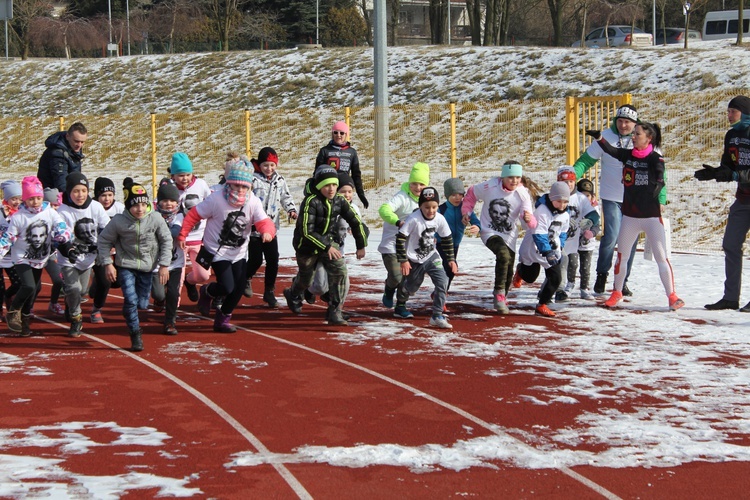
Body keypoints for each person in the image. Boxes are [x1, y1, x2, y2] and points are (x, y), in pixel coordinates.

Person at [586, 124, 684, 311]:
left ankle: (672, 296)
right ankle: (616, 292)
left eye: (637, 134)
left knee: (661, 257)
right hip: (630, 217)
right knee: (621, 256)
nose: (633, 136)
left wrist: (659, 183)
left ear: (648, 138)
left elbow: (660, 172)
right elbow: (610, 150)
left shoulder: (655, 157)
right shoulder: (628, 155)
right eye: (633, 134)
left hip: (651, 217)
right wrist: (599, 137)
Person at [177, 160, 275, 333]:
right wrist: (183, 234)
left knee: (238, 289)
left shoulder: (252, 201)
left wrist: (267, 232)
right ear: (229, 184)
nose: (240, 190)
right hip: (216, 251)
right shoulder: (216, 199)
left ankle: (223, 318)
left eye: (244, 187)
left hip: (239, 252)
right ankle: (208, 291)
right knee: (227, 286)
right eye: (236, 186)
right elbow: (194, 214)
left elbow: (263, 220)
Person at [573, 105, 661, 296]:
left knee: (629, 242)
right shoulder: (606, 137)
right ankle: (602, 274)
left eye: (627, 122)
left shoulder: (643, 138)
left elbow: (661, 171)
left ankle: (623, 281)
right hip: (611, 196)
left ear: (635, 123)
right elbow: (586, 161)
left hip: (636, 200)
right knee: (612, 236)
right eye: (620, 121)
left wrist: (661, 197)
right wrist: (572, 176)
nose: (623, 125)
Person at [283, 166, 367, 326]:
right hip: (307, 247)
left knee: (340, 271)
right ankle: (293, 293)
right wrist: (327, 247)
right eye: (327, 185)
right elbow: (307, 232)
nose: (331, 189)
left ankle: (335, 311)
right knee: (306, 280)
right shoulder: (310, 202)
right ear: (319, 185)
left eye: (334, 185)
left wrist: (361, 244)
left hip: (328, 242)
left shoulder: (339, 200)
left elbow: (356, 222)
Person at [97, 179, 172, 352]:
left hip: (147, 266)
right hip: (126, 265)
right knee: (130, 300)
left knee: (142, 304)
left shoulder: (155, 218)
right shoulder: (118, 221)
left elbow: (166, 240)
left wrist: (164, 265)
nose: (140, 209)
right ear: (128, 206)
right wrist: (108, 263)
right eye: (135, 205)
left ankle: (130, 311)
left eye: (143, 205)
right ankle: (135, 334)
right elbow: (104, 241)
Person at [695, 95, 750, 312]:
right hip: (743, 199)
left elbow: (737, 174)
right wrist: (716, 173)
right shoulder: (731, 135)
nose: (728, 115)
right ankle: (730, 298)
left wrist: (736, 176)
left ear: (744, 112)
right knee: (730, 244)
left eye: (732, 111)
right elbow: (729, 165)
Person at [0, 176, 71, 336]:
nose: (36, 202)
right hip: (21, 257)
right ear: (25, 199)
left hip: (40, 257)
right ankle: (13, 311)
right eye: (31, 199)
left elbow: (60, 225)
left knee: (33, 290)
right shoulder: (19, 216)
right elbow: (8, 237)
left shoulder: (49, 211)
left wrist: (63, 235)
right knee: (29, 286)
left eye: (38, 198)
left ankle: (25, 324)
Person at [462, 160, 535, 314]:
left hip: (509, 235)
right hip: (489, 231)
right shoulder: (490, 186)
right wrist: (467, 212)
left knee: (508, 266)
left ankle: (502, 295)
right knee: (502, 254)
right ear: (502, 177)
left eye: (517, 177)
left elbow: (528, 217)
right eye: (510, 178)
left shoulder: (523, 194)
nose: (514, 181)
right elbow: (471, 193)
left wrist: (527, 218)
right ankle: (499, 293)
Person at [392, 186, 456, 328]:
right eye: (427, 207)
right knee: (411, 287)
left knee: (443, 281)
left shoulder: (440, 218)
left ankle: (437, 315)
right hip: (414, 258)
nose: (431, 210)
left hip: (431, 256)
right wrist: (403, 260)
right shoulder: (414, 219)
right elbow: (400, 238)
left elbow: (447, 239)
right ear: (420, 206)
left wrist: (451, 259)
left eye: (434, 207)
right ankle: (400, 301)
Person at [306, 171, 370, 309]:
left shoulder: (353, 208)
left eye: (350, 191)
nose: (347, 195)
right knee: (320, 287)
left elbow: (360, 226)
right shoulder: (322, 205)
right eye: (343, 191)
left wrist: (361, 244)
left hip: (338, 252)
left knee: (344, 283)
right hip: (321, 251)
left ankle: (336, 311)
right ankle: (307, 288)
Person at [57, 173, 110, 337]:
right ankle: (76, 319)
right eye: (75, 191)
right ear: (69, 192)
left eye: (83, 190)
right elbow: (59, 234)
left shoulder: (95, 207)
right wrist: (68, 250)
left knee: (81, 292)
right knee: (74, 287)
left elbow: (107, 228)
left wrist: (104, 243)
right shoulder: (63, 210)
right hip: (69, 258)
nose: (80, 195)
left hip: (88, 259)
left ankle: (70, 303)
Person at [244, 147, 297, 307]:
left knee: (273, 259)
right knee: (255, 259)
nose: (269, 168)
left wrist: (291, 209)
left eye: (272, 165)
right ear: (259, 165)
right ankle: (245, 277)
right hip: (254, 228)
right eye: (266, 165)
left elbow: (285, 196)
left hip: (271, 227)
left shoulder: (279, 180)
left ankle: (269, 291)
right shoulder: (252, 180)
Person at [378, 162, 430, 308]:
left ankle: (401, 307)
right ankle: (389, 288)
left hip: (411, 248)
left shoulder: (426, 200)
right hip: (392, 245)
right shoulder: (402, 197)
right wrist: (397, 222)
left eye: (422, 184)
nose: (418, 188)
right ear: (409, 183)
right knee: (396, 276)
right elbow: (384, 209)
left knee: (408, 280)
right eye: (414, 183)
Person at [516, 181, 571, 317]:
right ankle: (520, 271)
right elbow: (539, 235)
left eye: (565, 202)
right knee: (530, 277)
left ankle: (542, 304)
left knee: (555, 277)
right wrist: (547, 252)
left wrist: (560, 246)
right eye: (559, 201)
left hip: (551, 249)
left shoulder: (565, 213)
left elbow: (563, 232)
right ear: (552, 199)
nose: (562, 205)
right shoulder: (542, 212)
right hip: (534, 247)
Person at [169, 152, 213, 303]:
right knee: (177, 277)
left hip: (198, 237)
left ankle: (190, 282)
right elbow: (159, 205)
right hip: (178, 240)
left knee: (203, 275)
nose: (185, 178)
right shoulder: (169, 188)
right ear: (173, 175)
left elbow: (211, 202)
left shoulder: (201, 185)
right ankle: (174, 307)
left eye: (188, 174)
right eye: (180, 175)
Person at [553, 166, 600, 302]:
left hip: (573, 240)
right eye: (565, 182)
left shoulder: (580, 198)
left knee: (574, 265)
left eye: (571, 182)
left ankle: (576, 288)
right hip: (557, 238)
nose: (568, 185)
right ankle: (555, 288)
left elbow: (593, 215)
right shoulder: (554, 194)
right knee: (557, 265)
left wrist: (586, 224)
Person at [436, 177, 480, 310]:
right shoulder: (441, 209)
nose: (457, 198)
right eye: (453, 195)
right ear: (447, 195)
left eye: (460, 195)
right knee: (449, 268)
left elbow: (476, 221)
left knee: (450, 271)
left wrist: (477, 227)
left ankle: (439, 294)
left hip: (455, 244)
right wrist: (432, 236)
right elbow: (431, 224)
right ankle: (440, 296)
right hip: (441, 243)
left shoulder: (465, 209)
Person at [88, 177, 125, 323]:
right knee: (106, 282)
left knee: (117, 281)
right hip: (97, 251)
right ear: (97, 196)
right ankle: (96, 310)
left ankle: (96, 281)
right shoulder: (92, 207)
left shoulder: (120, 208)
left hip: (115, 251)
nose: (107, 199)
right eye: (103, 195)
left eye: (110, 195)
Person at [151, 179, 184, 336]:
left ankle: (170, 321)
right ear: (159, 202)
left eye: (172, 200)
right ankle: (159, 300)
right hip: (156, 264)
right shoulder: (153, 216)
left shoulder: (179, 217)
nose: (169, 204)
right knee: (159, 294)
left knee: (173, 293)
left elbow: (175, 232)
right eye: (165, 200)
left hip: (175, 262)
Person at [314, 121, 369, 209]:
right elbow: (317, 173)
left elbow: (356, 175)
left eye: (342, 133)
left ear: (346, 134)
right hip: (329, 189)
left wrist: (361, 195)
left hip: (344, 188)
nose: (338, 135)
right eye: (335, 132)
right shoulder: (325, 150)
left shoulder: (352, 152)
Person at [37, 123, 87, 195]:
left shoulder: (73, 150)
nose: (79, 145)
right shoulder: (58, 154)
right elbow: (61, 184)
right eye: (76, 141)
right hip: (52, 198)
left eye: (82, 142)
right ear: (67, 136)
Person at [573, 178, 600, 299]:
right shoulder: (573, 206)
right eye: (582, 195)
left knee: (585, 267)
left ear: (592, 196)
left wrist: (592, 233)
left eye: (587, 195)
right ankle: (569, 285)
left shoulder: (595, 209)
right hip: (572, 242)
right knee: (571, 264)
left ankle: (584, 288)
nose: (585, 198)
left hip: (587, 244)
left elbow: (597, 226)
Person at [42, 188, 66, 317]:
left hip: (50, 254)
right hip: (34, 255)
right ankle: (27, 308)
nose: (53, 208)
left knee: (58, 280)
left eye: (55, 205)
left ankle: (53, 303)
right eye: (49, 205)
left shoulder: (59, 217)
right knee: (34, 286)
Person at [0, 180, 22, 321]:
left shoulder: (22, 213)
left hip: (13, 256)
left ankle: (9, 297)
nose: (17, 202)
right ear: (7, 199)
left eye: (20, 199)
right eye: (14, 199)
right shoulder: (1, 212)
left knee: (19, 282)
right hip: (0, 255)